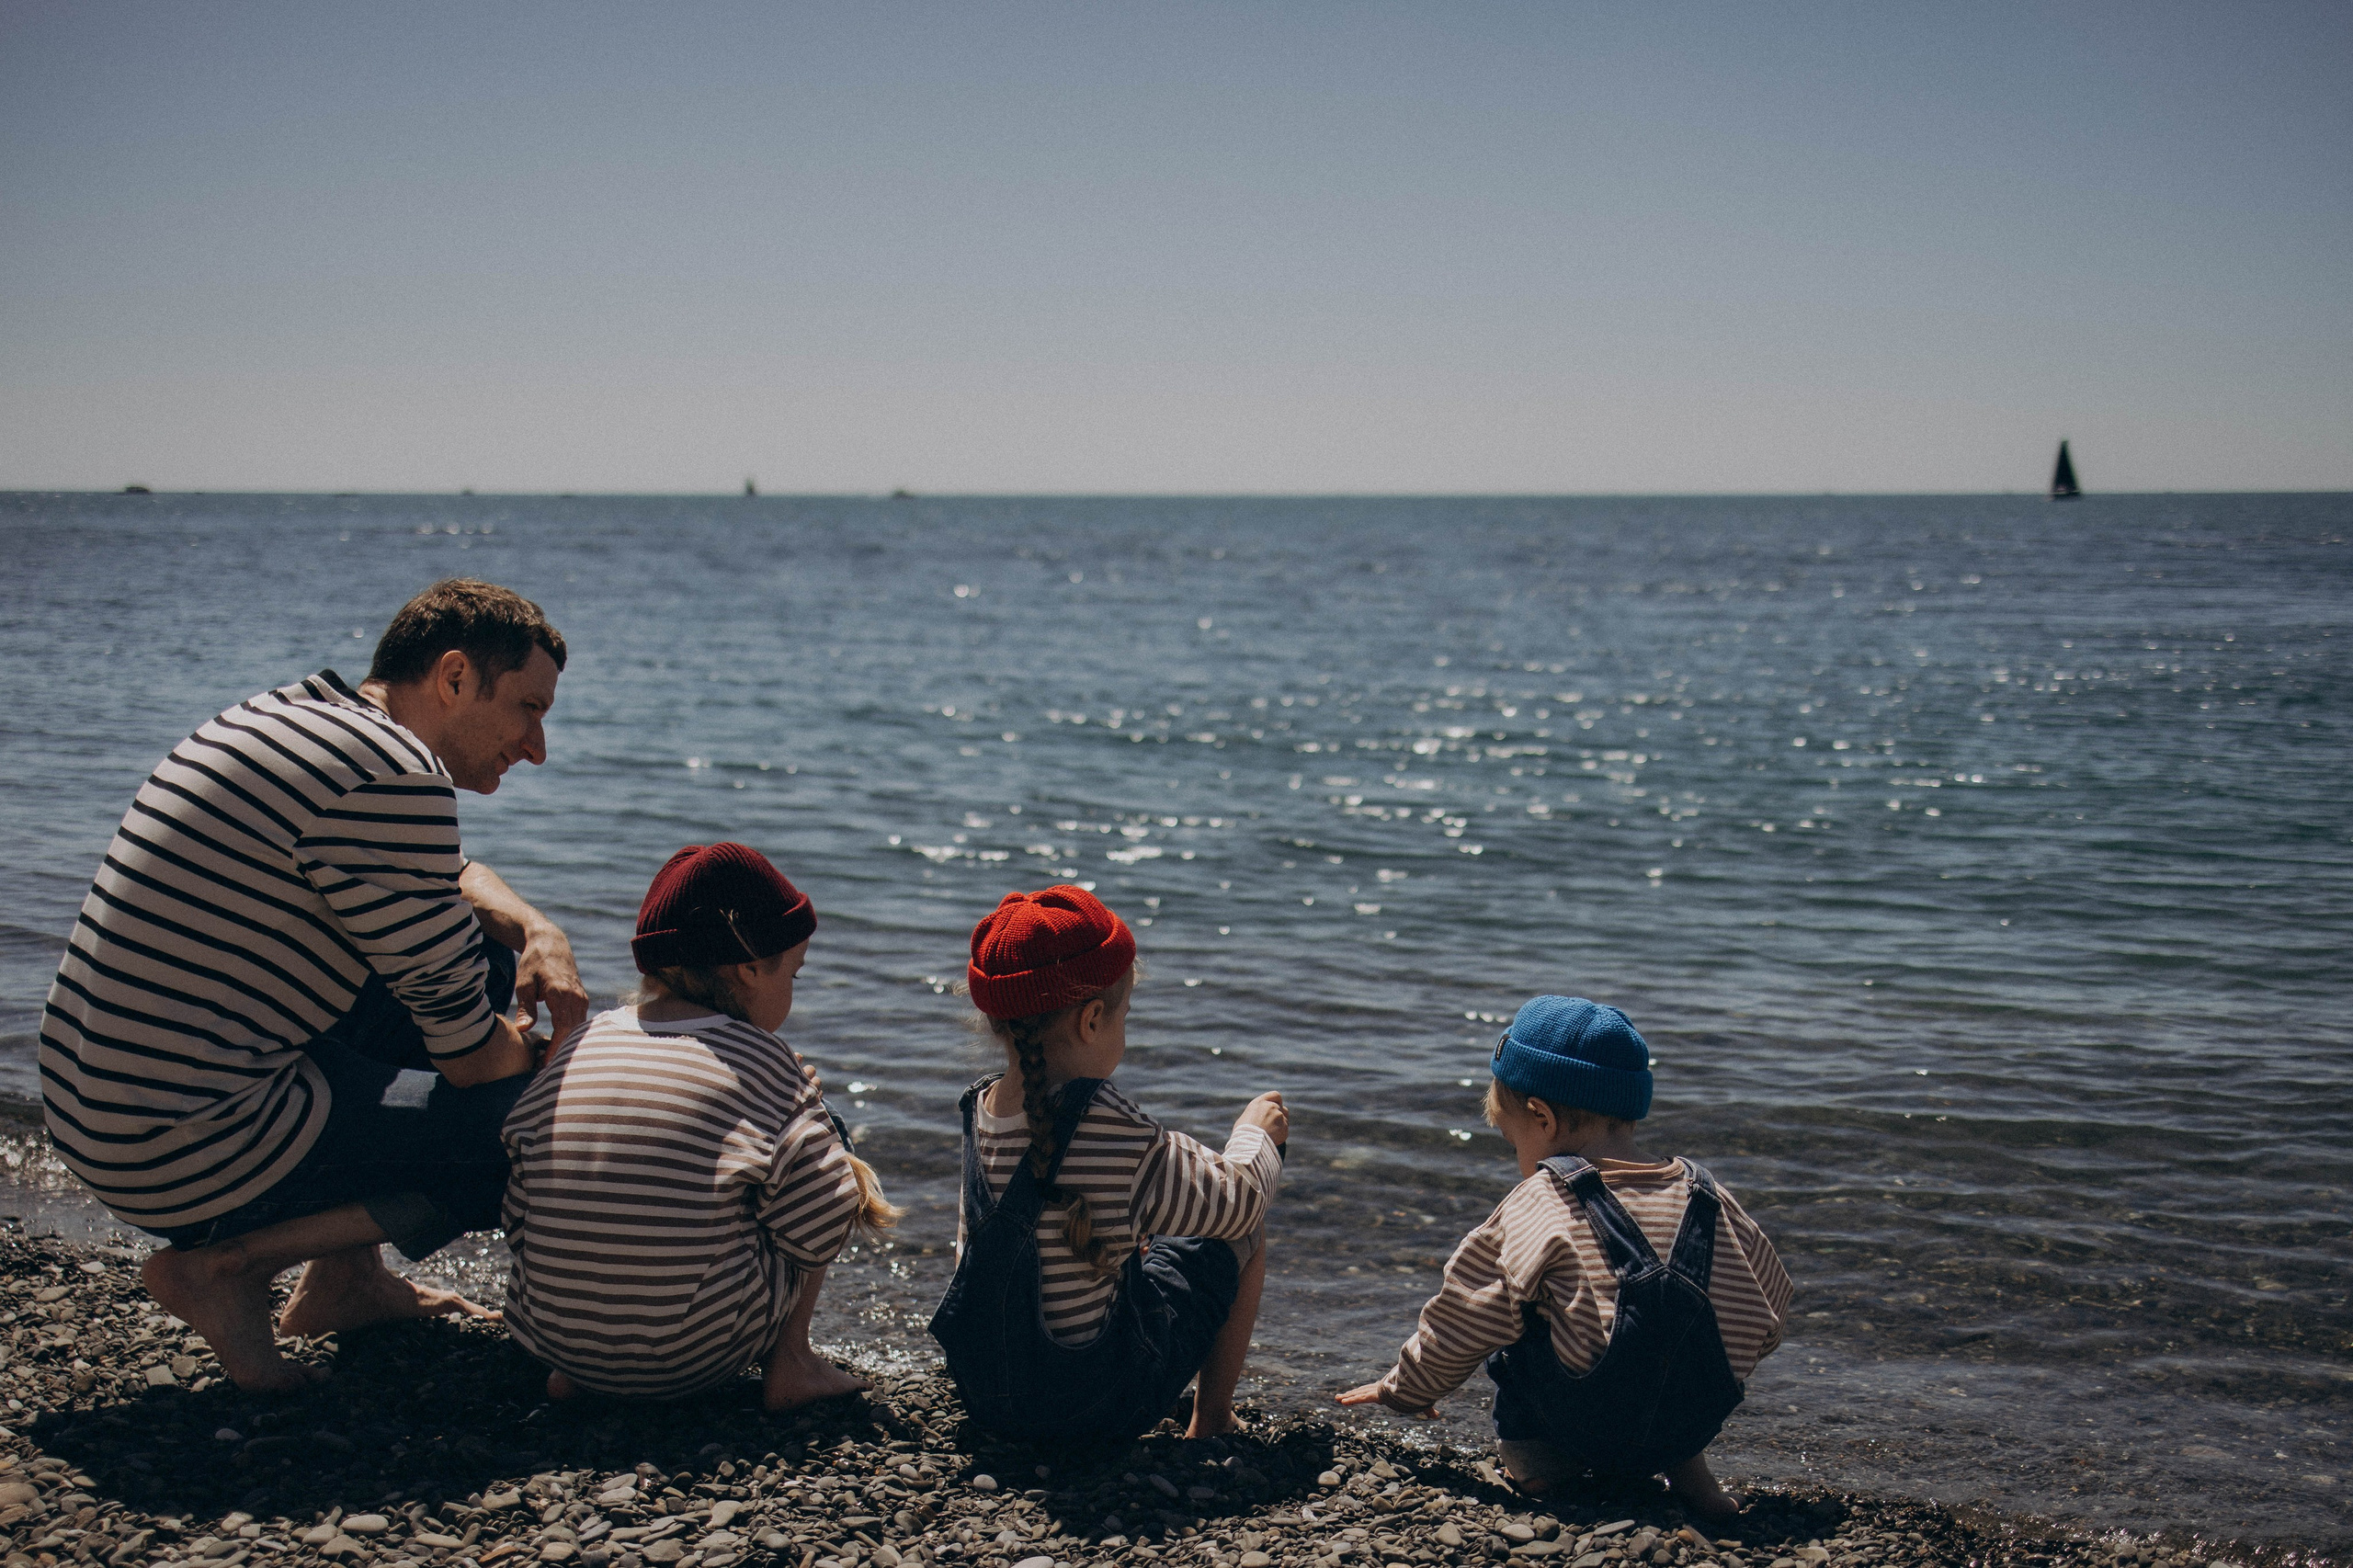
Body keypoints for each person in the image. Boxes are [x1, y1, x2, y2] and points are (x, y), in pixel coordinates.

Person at [39, 578, 588, 1392]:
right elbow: (474, 1062)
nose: (536, 747)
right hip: (181, 1149)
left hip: (97, 1112)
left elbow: (444, 875)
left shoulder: (288, 717)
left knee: (483, 948)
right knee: (529, 1133)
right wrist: (563, 1069)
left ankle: (346, 1281)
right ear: (454, 676)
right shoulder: (396, 775)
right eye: (528, 709)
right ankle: (228, 1269)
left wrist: (538, 930)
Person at [1337, 996, 1790, 1521]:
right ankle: (1696, 1484)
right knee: (1679, 1338)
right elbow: (1771, 1310)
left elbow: (1462, 1319)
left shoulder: (1543, 1201)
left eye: (1512, 1139)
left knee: (1512, 1319)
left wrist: (1406, 1391)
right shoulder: (1709, 1197)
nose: (1517, 1156)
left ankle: (1541, 1469)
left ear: (1542, 1118)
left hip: (1583, 1424)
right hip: (1689, 1424)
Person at [502, 842, 900, 1408]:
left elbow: (518, 1200)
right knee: (822, 1140)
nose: (793, 988)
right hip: (693, 1356)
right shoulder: (764, 1061)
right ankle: (792, 1363)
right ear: (749, 968)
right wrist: (803, 1104)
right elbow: (818, 1226)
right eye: (794, 973)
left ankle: (586, 1360)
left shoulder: (583, 1042)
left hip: (551, 1341)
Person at [929, 885, 1287, 1442]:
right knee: (1243, 1234)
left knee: (1131, 1243)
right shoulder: (1108, 1122)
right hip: (1092, 1406)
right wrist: (1254, 1136)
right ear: (1092, 1019)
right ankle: (1213, 1417)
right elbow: (1239, 1204)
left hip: (988, 1397)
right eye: (1125, 1016)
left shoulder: (982, 1109)